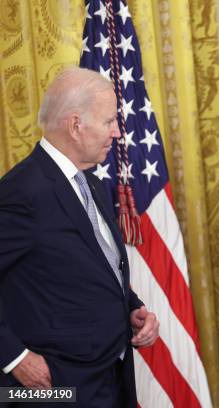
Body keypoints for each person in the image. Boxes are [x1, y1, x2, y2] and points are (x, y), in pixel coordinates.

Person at [0, 67, 159, 407]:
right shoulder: (22, 191)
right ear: (75, 126)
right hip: (56, 387)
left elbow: (88, 267)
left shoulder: (92, 184)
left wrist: (131, 309)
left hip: (111, 376)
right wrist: (14, 357)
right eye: (109, 122)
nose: (117, 132)